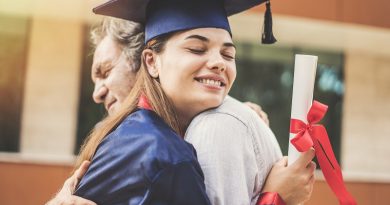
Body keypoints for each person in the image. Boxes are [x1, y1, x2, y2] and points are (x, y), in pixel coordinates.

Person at [47, 0, 316, 204]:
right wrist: (276, 197)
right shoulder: (169, 158)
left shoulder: (127, 134)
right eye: (197, 49)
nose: (218, 63)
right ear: (151, 61)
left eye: (228, 54)